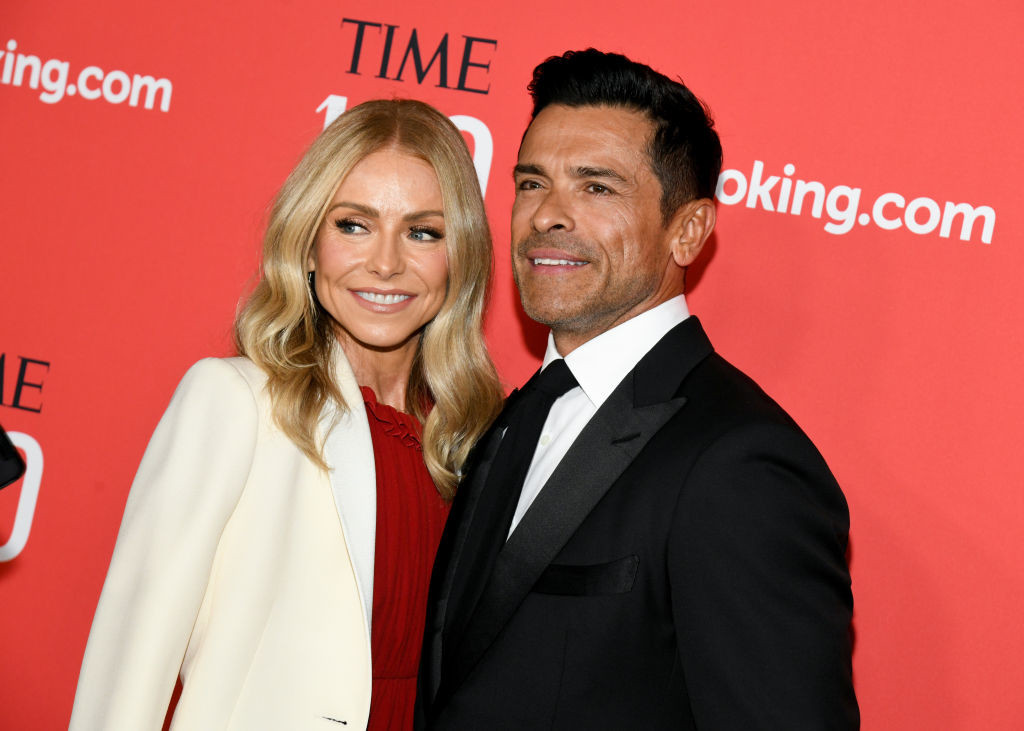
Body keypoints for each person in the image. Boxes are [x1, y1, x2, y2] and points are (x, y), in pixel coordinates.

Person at [418, 49, 859, 729]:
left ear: (688, 230)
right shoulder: (515, 415)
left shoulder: (740, 463)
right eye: (533, 183)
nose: (546, 216)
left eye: (596, 187)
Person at [70, 99, 503, 730]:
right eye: (353, 225)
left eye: (422, 231)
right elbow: (132, 662)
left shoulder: (477, 439)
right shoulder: (234, 403)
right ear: (307, 245)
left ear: (458, 258)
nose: (385, 262)